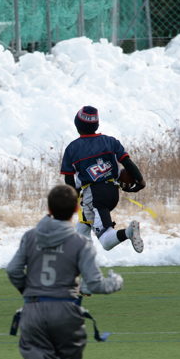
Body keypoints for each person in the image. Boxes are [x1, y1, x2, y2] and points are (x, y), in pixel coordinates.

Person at [6, 184, 123, 359]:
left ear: (48, 208)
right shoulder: (79, 243)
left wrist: (29, 293)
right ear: (76, 210)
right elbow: (94, 284)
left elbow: (13, 270)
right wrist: (115, 282)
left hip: (34, 309)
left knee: (35, 351)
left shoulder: (30, 237)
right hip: (66, 310)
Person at [60, 106, 146, 254]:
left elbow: (69, 179)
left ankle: (128, 232)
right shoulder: (110, 141)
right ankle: (81, 262)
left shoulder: (72, 149)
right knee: (83, 227)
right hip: (112, 192)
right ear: (97, 125)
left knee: (106, 241)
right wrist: (140, 181)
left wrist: (73, 198)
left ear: (76, 125)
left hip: (94, 196)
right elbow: (127, 163)